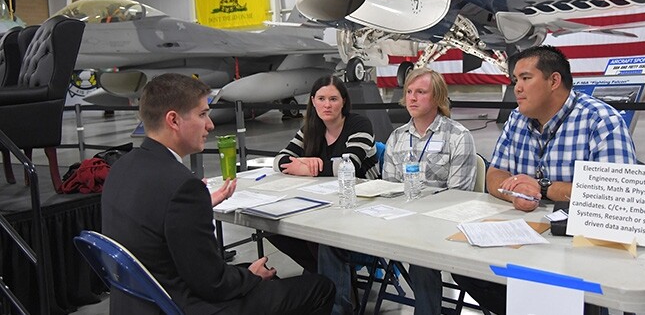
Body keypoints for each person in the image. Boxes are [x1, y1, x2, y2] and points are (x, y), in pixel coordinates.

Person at [102, 73, 335, 315]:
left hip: (142, 300)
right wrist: (249, 277)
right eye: (202, 114)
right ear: (173, 120)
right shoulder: (182, 187)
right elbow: (213, 283)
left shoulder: (122, 168)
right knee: (320, 288)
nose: (210, 125)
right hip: (184, 305)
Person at [453, 45, 637, 314]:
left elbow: (615, 195)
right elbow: (495, 174)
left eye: (526, 78)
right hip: (521, 240)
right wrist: (514, 192)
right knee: (463, 268)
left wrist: (542, 188)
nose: (517, 88)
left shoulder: (601, 121)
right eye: (515, 80)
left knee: (566, 293)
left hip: (577, 248)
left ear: (554, 81)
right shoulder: (517, 119)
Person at [271, 75, 379, 315]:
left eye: (333, 98)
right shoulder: (310, 129)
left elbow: (349, 165)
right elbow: (279, 161)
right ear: (313, 101)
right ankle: (327, 282)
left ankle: (337, 306)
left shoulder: (359, 125)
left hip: (360, 206)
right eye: (321, 99)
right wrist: (307, 163)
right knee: (272, 227)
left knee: (326, 241)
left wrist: (309, 165)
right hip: (321, 205)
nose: (327, 105)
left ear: (343, 102)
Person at [383, 67, 477, 315]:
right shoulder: (397, 137)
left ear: (436, 98)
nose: (412, 98)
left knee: (422, 259)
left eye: (421, 92)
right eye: (409, 92)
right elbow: (389, 188)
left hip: (439, 222)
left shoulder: (458, 136)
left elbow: (459, 197)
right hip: (402, 219)